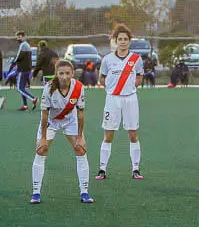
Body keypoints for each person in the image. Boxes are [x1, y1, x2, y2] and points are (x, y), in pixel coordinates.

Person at [29, 60, 94, 204]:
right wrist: (43, 138)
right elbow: (44, 114)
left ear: (72, 74)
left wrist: (80, 136)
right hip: (51, 121)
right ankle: (36, 193)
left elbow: (81, 113)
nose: (64, 77)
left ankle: (84, 192)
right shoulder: (48, 88)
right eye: (61, 73)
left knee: (81, 149)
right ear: (56, 74)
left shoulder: (79, 87)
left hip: (70, 121)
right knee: (41, 150)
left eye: (67, 73)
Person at [97, 23, 144, 180]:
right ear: (115, 41)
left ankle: (136, 169)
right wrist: (112, 89)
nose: (123, 41)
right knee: (108, 135)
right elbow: (102, 78)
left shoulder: (136, 59)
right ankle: (102, 169)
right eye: (120, 39)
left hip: (131, 99)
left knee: (133, 134)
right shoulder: (107, 59)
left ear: (130, 41)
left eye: (125, 39)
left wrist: (131, 86)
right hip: (112, 99)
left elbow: (139, 76)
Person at [13, 31, 36, 111]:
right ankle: (25, 105)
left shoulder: (23, 44)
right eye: (17, 37)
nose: (18, 39)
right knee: (22, 88)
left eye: (19, 37)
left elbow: (18, 56)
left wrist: (13, 61)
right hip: (27, 69)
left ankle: (33, 98)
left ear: (24, 37)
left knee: (19, 88)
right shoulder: (27, 45)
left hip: (23, 70)